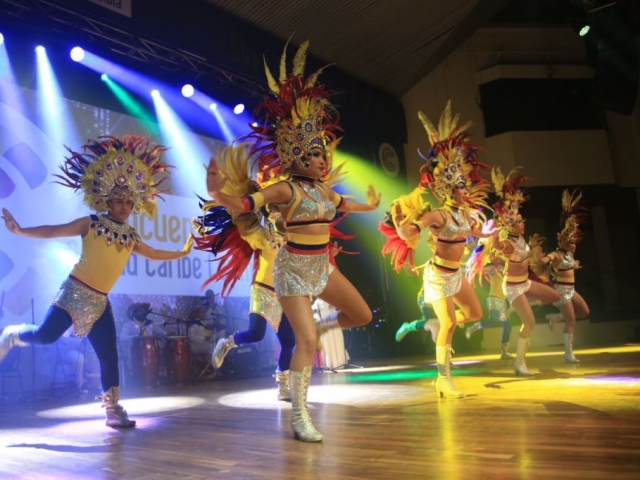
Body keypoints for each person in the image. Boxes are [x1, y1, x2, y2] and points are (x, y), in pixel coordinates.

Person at [206, 42, 380, 442]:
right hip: (291, 272)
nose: (323, 160)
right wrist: (219, 195)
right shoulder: (286, 190)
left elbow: (344, 203)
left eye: (324, 154)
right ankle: (300, 415)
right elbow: (247, 202)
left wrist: (369, 205)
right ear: (297, 154)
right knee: (301, 340)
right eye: (315, 154)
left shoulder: (324, 192)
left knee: (362, 315)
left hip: (323, 266)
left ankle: (321, 329)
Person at [0, 135, 192, 428]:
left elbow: (153, 253)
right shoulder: (90, 223)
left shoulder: (130, 236)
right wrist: (20, 230)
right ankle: (13, 334)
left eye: (130, 202)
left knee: (109, 356)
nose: (125, 206)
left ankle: (112, 410)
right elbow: (53, 230)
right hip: (74, 293)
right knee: (45, 335)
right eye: (120, 200)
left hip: (101, 302)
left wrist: (183, 251)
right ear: (108, 200)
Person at [381, 101, 494, 399]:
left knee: (474, 313)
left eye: (465, 184)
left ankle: (427, 324)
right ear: (447, 189)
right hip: (437, 275)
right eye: (459, 186)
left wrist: (484, 233)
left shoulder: (465, 214)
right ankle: (443, 378)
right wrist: (398, 223)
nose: (465, 190)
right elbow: (410, 234)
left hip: (456, 274)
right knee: (449, 323)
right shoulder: (437, 216)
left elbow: (471, 232)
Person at [194, 142, 296, 400]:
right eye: (274, 209)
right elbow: (243, 219)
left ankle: (283, 384)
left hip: (286, 293)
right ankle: (227, 342)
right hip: (263, 288)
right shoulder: (261, 234)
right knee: (255, 334)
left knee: (289, 341)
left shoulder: (298, 234)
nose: (279, 213)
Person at [485, 166, 561, 376]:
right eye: (519, 222)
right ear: (510, 226)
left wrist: (534, 246)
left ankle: (531, 305)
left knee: (557, 296)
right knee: (530, 322)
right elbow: (499, 247)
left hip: (525, 283)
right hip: (514, 288)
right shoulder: (508, 242)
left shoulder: (520, 239)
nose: (522, 223)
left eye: (522, 220)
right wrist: (493, 236)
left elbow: (529, 255)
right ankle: (519, 362)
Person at [531, 189, 590, 363]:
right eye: (570, 242)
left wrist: (575, 265)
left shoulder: (570, 255)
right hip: (561, 291)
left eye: (573, 242)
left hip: (572, 289)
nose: (572, 245)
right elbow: (544, 260)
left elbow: (569, 267)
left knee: (585, 312)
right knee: (571, 321)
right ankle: (568, 353)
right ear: (562, 240)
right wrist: (536, 251)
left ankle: (556, 317)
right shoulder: (556, 254)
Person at [464, 255, 515, 360]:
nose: (502, 258)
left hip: (503, 301)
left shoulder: (507, 270)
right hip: (493, 298)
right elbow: (480, 270)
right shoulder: (493, 269)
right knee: (493, 319)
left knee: (508, 326)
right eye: (500, 257)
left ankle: (504, 352)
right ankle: (473, 327)